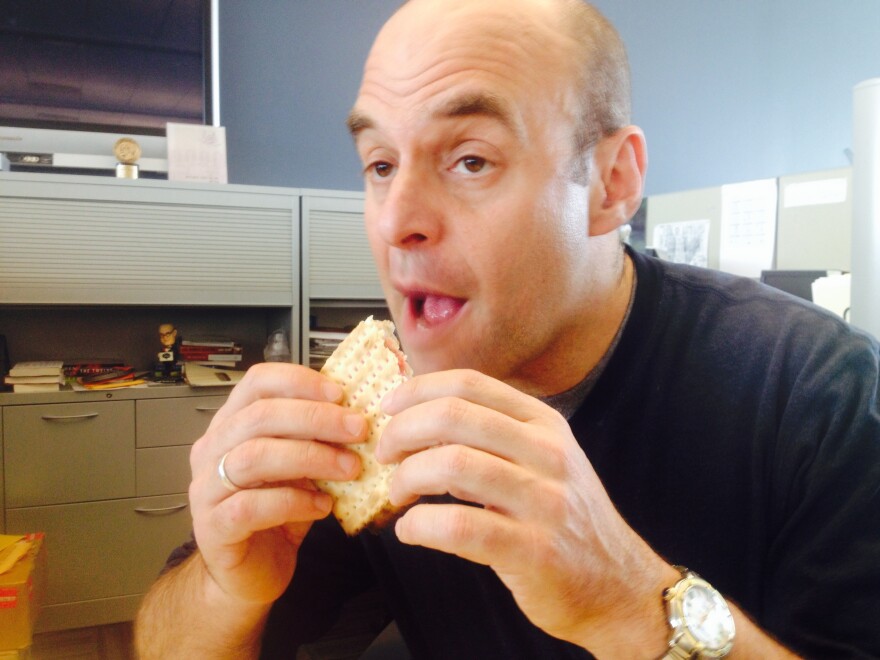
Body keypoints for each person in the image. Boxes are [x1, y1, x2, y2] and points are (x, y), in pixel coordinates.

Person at [135, 0, 880, 657]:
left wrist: (632, 607)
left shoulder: (817, 393)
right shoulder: (362, 428)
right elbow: (165, 645)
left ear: (611, 183)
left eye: (469, 159)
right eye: (380, 164)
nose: (397, 222)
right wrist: (225, 587)